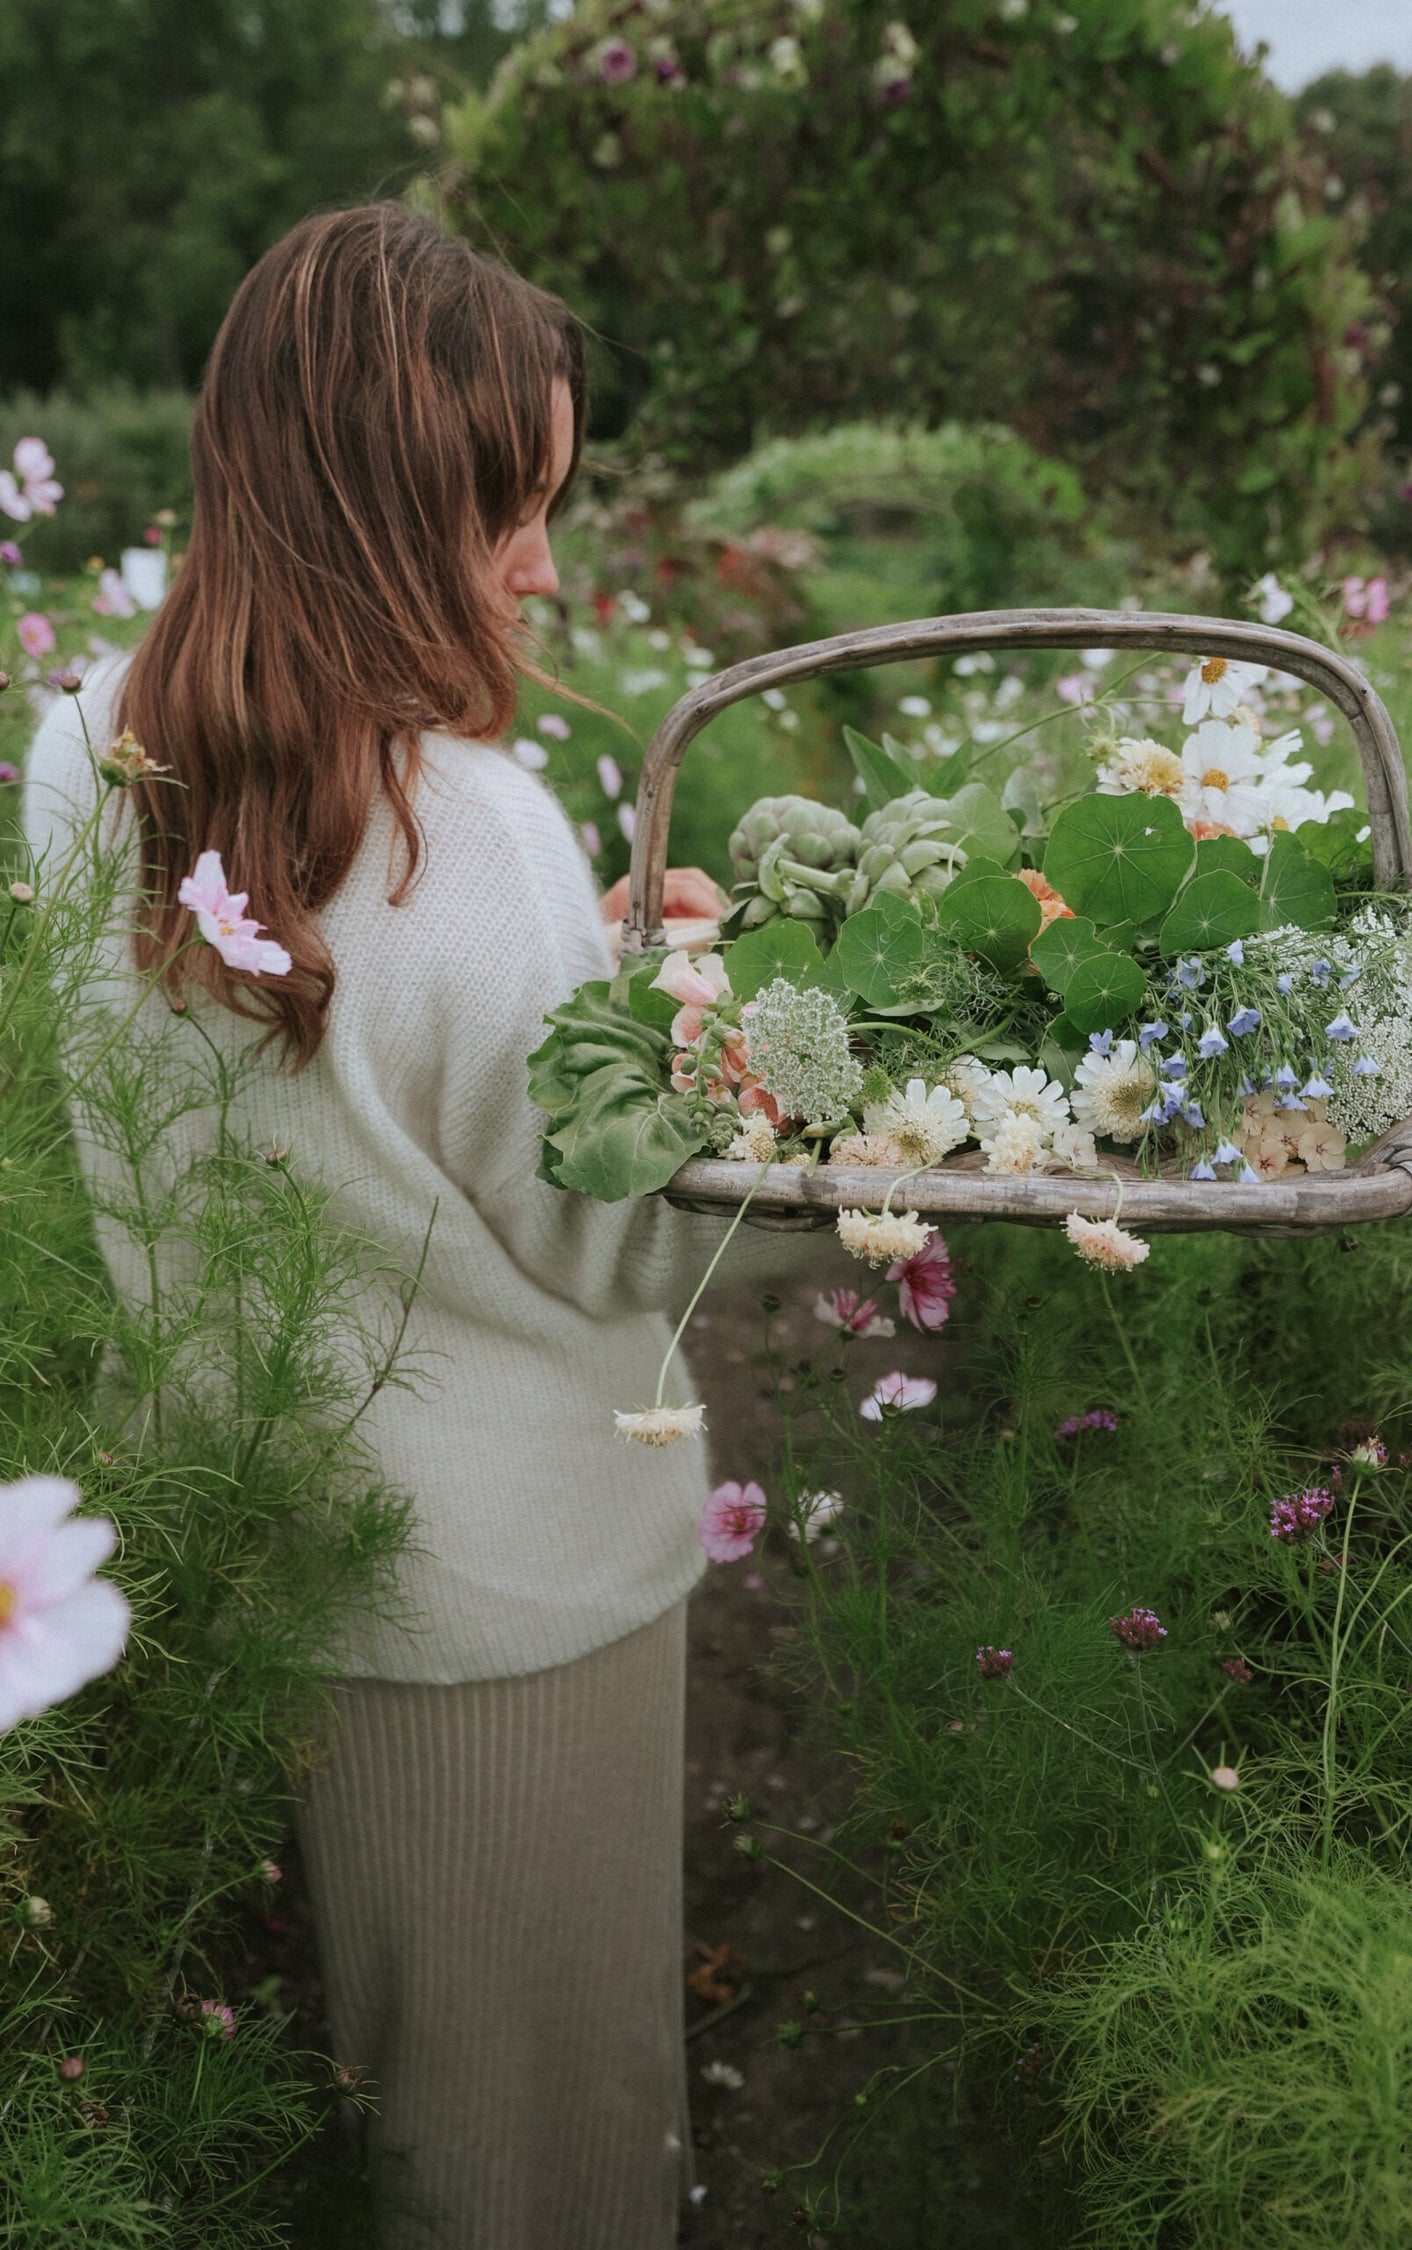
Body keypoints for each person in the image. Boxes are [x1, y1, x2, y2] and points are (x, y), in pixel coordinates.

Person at [23, 203, 806, 2249]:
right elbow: (628, 1237)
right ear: (380, 502)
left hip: (231, 1546)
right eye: (510, 506)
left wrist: (594, 976)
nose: (546, 561)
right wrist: (850, 1137)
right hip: (499, 1618)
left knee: (334, 2114)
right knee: (526, 2166)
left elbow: (315, 1089)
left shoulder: (83, 749)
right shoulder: (471, 831)